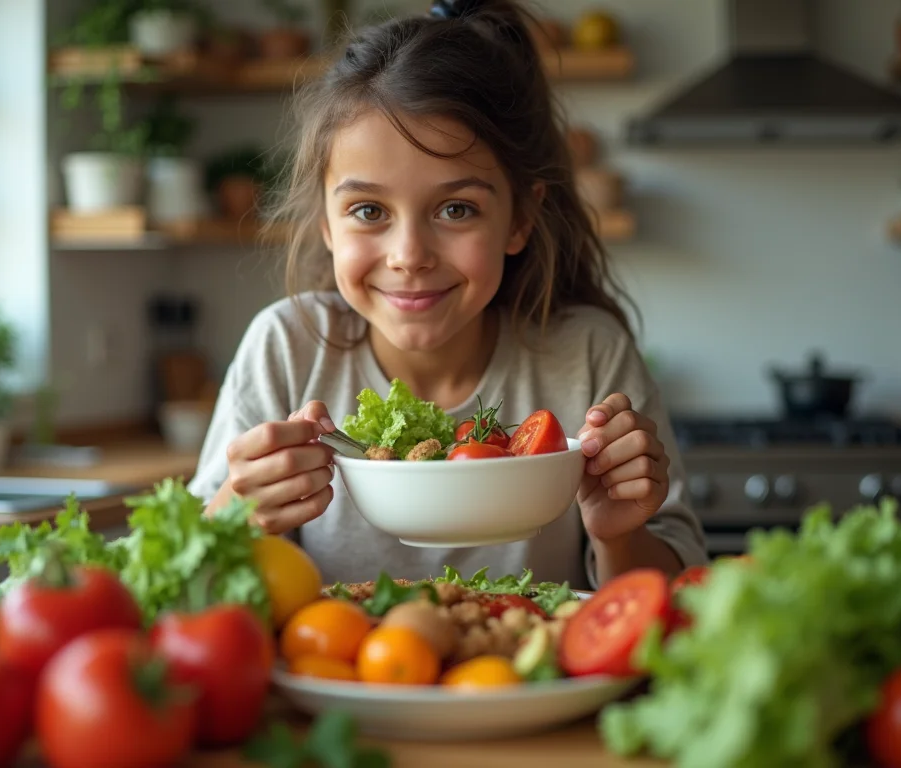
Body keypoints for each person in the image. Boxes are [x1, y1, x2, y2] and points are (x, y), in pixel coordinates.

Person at [188, 0, 707, 588]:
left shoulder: (587, 354)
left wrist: (621, 535)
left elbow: (677, 593)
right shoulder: (286, 347)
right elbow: (186, 581)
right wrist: (236, 511)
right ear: (328, 225)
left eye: (456, 209)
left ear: (519, 220)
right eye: (368, 210)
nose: (409, 254)